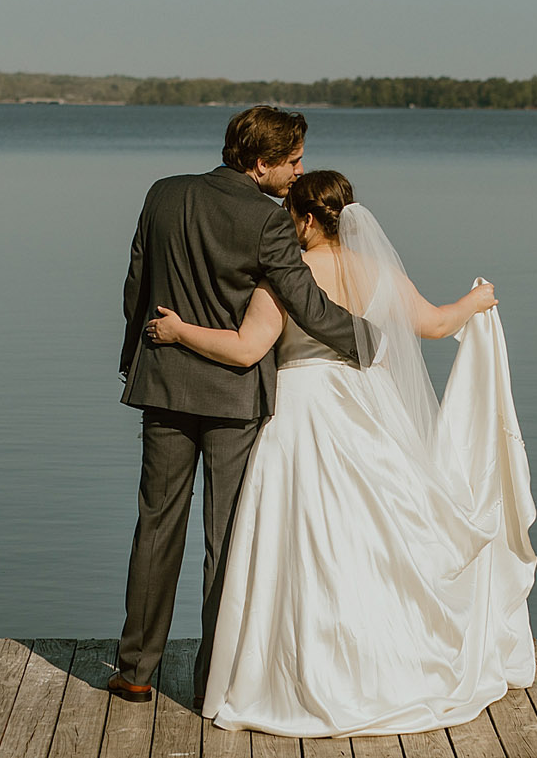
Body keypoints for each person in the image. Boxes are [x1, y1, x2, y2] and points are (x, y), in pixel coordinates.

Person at [147, 170, 537, 736]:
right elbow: (433, 324)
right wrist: (475, 301)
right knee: (375, 540)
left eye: (288, 217)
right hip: (369, 415)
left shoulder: (285, 277)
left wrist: (180, 332)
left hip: (302, 417)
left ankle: (298, 674)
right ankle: (386, 665)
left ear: (304, 219)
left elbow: (245, 350)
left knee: (305, 544)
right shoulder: (378, 271)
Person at [113, 107, 365, 705]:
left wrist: (133, 356)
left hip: (164, 386)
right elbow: (307, 305)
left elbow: (136, 285)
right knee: (226, 540)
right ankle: (214, 683)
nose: (298, 170)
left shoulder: (163, 195)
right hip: (235, 398)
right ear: (260, 164)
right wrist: (378, 341)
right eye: (293, 161)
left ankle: (135, 673)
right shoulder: (267, 221)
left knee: (155, 528)